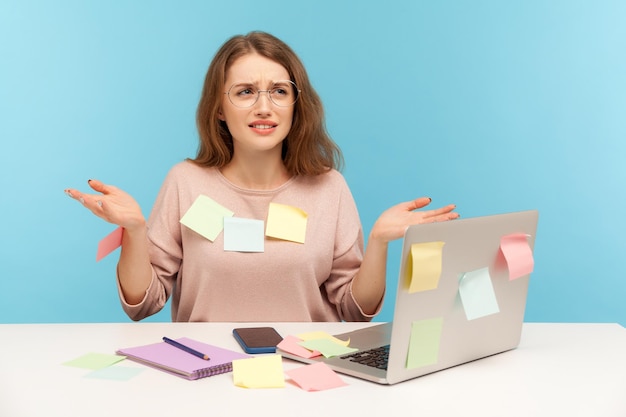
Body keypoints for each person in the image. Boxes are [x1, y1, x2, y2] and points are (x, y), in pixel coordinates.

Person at [65, 31, 459, 323]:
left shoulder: (329, 188)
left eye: (279, 92)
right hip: (208, 374)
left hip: (306, 374)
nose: (264, 107)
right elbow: (143, 302)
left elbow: (354, 311)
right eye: (245, 92)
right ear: (219, 108)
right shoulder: (185, 182)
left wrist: (377, 243)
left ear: (295, 104)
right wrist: (134, 230)